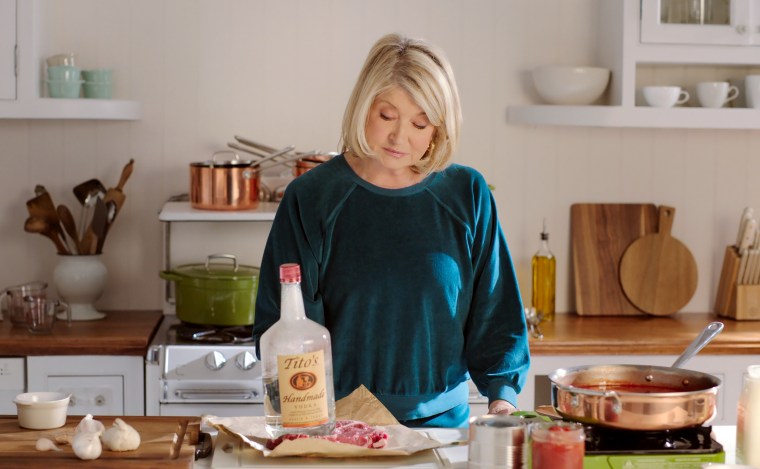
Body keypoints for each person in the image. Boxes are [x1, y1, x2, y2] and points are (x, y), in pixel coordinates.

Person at [253, 33, 530, 428]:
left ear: (439, 128)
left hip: (443, 431)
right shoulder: (312, 197)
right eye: (387, 116)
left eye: (421, 123)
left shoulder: (467, 194)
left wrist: (503, 402)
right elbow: (285, 325)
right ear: (363, 107)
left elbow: (497, 315)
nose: (400, 138)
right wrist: (309, 434)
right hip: (339, 430)